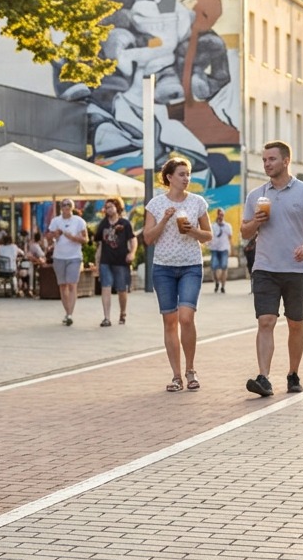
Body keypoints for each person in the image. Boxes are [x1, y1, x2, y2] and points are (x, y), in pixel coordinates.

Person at [241, 140, 303, 397]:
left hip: (296, 268)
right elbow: (244, 232)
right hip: (265, 267)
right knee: (265, 321)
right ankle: (264, 378)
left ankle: (293, 373)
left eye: (271, 159)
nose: (267, 164)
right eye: (264, 160)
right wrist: (256, 221)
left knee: (295, 323)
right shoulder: (256, 195)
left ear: (286, 161)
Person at [144, 157, 211, 392]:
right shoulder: (155, 204)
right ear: (169, 177)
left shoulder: (197, 202)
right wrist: (164, 219)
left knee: (186, 318)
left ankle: (191, 370)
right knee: (169, 321)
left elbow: (208, 236)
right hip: (163, 268)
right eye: (181, 174)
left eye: (188, 174)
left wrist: (192, 230)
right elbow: (148, 238)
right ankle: (176, 376)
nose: (186, 178)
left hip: (191, 266)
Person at [93, 198, 136, 326]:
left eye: (111, 207)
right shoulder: (103, 224)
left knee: (122, 289)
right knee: (105, 287)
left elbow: (133, 240)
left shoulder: (125, 224)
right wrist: (97, 262)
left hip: (121, 261)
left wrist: (132, 253)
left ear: (117, 207)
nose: (108, 209)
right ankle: (106, 317)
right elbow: (100, 244)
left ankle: (123, 313)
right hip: (106, 261)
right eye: (106, 207)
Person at [46, 198, 88, 326]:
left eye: (68, 205)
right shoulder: (55, 221)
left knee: (72, 284)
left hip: (74, 256)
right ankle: (67, 311)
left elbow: (85, 239)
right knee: (62, 285)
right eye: (63, 205)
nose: (66, 207)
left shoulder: (79, 221)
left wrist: (73, 238)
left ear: (72, 207)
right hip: (59, 256)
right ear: (60, 207)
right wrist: (55, 235)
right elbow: (48, 237)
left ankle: (70, 313)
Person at [207, 208, 232, 293]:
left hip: (224, 249)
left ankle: (223, 286)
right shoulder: (213, 226)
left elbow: (230, 238)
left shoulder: (227, 226)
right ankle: (217, 282)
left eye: (222, 215)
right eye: (219, 215)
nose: (220, 216)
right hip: (214, 249)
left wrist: (231, 249)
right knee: (214, 267)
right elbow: (209, 236)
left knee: (224, 267)